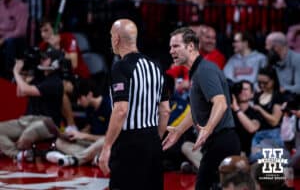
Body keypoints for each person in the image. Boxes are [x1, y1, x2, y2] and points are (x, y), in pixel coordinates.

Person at [163, 27, 240, 189]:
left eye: (176, 46)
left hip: (221, 141)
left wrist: (207, 129)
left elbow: (221, 103)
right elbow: (196, 110)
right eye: (170, 47)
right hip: (217, 142)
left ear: (190, 46)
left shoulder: (205, 70)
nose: (171, 51)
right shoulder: (197, 71)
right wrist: (178, 131)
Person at [98, 19, 170, 190]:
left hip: (129, 143)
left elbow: (121, 109)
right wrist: (155, 140)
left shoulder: (120, 67)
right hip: (153, 139)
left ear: (116, 39)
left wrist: (107, 147)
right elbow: (165, 110)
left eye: (111, 36)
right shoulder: (157, 67)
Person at [0, 47, 63, 161]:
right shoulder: (41, 78)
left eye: (45, 58)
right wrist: (21, 73)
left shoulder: (55, 82)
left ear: (55, 62)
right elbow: (20, 92)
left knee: (25, 138)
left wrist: (15, 72)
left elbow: (24, 90)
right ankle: (18, 154)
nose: (42, 61)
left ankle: (16, 151)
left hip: (47, 122)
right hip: (28, 119)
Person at [39, 18, 91, 131]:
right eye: (41, 31)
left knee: (58, 87)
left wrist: (58, 49)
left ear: (56, 29)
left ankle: (72, 126)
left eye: (46, 30)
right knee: (46, 87)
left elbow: (74, 64)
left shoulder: (68, 38)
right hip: (59, 80)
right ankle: (54, 126)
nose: (43, 35)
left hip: (80, 79)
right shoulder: (44, 45)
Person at [45, 78, 111, 166]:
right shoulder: (89, 108)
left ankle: (75, 159)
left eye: (80, 98)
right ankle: (92, 158)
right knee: (59, 142)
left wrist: (85, 136)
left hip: (106, 144)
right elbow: (89, 127)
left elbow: (109, 138)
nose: (78, 103)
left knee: (103, 141)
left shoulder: (109, 106)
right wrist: (75, 134)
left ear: (89, 95)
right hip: (92, 145)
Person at [0, 0, 28, 79]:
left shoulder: (22, 7)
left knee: (10, 42)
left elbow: (21, 31)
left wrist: (4, 38)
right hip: (1, 37)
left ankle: (9, 74)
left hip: (16, 41)